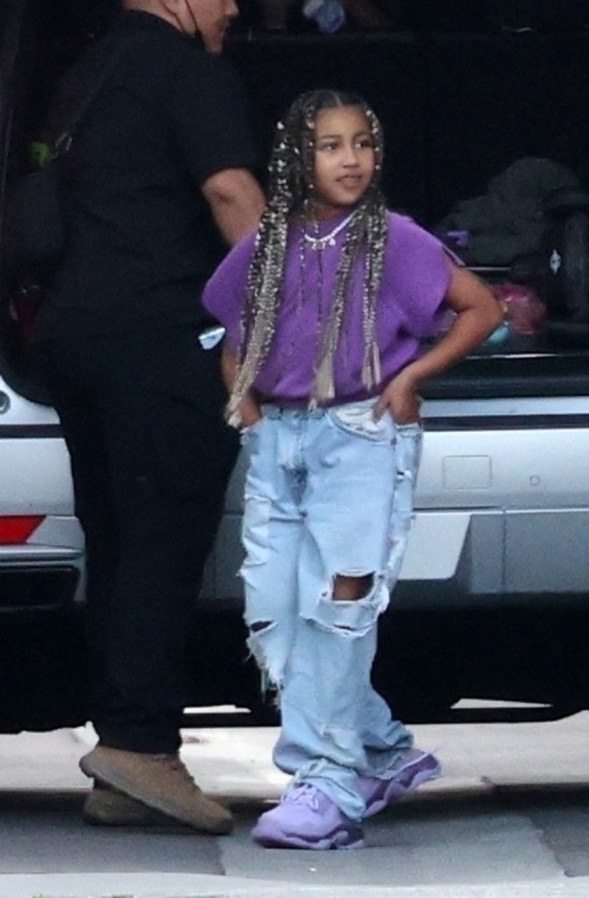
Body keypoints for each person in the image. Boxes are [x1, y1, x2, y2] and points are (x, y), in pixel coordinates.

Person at [201, 89, 502, 849]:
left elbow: (482, 307)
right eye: (331, 145)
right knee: (274, 613)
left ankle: (328, 782)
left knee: (339, 605)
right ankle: (382, 750)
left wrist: (410, 378)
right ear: (297, 156)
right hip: (281, 441)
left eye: (363, 143)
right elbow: (234, 334)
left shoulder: (395, 238)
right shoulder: (268, 243)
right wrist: (247, 408)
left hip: (360, 436)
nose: (351, 160)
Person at [36, 0, 266, 834]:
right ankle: (141, 746)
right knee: (161, 542)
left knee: (119, 541)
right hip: (160, 338)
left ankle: (121, 760)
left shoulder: (89, 71)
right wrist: (287, 320)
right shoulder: (184, 70)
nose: (235, 7)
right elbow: (231, 191)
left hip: (76, 336)